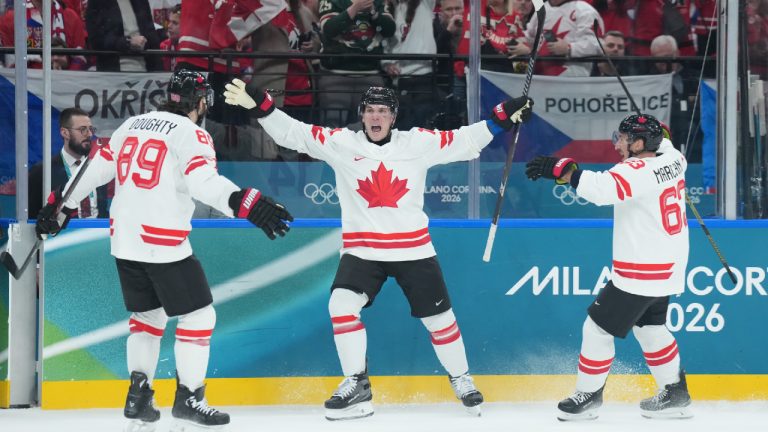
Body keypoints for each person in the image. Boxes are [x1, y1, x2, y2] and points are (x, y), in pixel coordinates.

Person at [223, 79, 533, 420]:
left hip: (413, 250)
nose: (376, 117)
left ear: (393, 117)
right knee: (341, 306)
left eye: (383, 111)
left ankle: (461, 377)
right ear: (361, 115)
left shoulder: (417, 142)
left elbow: (465, 141)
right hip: (363, 250)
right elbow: (293, 134)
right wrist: (262, 107)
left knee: (439, 320)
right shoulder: (341, 143)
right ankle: (357, 383)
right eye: (370, 110)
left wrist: (501, 119)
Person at [35, 69, 294, 432]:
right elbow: (204, 184)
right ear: (200, 101)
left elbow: (94, 171)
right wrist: (246, 203)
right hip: (163, 242)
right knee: (200, 317)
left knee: (148, 318)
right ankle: (189, 397)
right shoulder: (194, 134)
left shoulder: (132, 124)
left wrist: (61, 205)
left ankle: (138, 397)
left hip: (124, 240)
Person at [524, 113, 693, 421]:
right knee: (650, 328)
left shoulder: (635, 170)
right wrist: (652, 126)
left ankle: (588, 395)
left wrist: (561, 168)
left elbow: (600, 189)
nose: (617, 143)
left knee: (597, 328)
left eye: (624, 138)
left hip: (642, 270)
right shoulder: (675, 158)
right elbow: (665, 137)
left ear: (640, 144)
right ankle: (675, 393)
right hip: (669, 265)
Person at [28, 108, 108, 219]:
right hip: (64, 235)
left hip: (98, 234)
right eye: (83, 129)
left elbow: (103, 210)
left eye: (91, 129)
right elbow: (33, 218)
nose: (89, 134)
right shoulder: (42, 171)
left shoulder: (99, 167)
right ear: (65, 133)